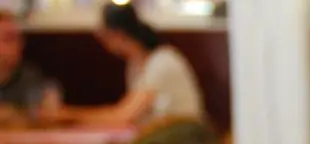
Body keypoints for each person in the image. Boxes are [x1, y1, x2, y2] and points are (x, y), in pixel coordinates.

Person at [67, 2, 203, 126]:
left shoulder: (163, 61)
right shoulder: (136, 65)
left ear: (117, 34)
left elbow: (123, 116)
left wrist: (66, 116)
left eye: (103, 36)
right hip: (159, 142)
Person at [0, 10, 61, 126]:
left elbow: (45, 115)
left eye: (18, 39)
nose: (18, 45)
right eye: (8, 39)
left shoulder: (30, 76)